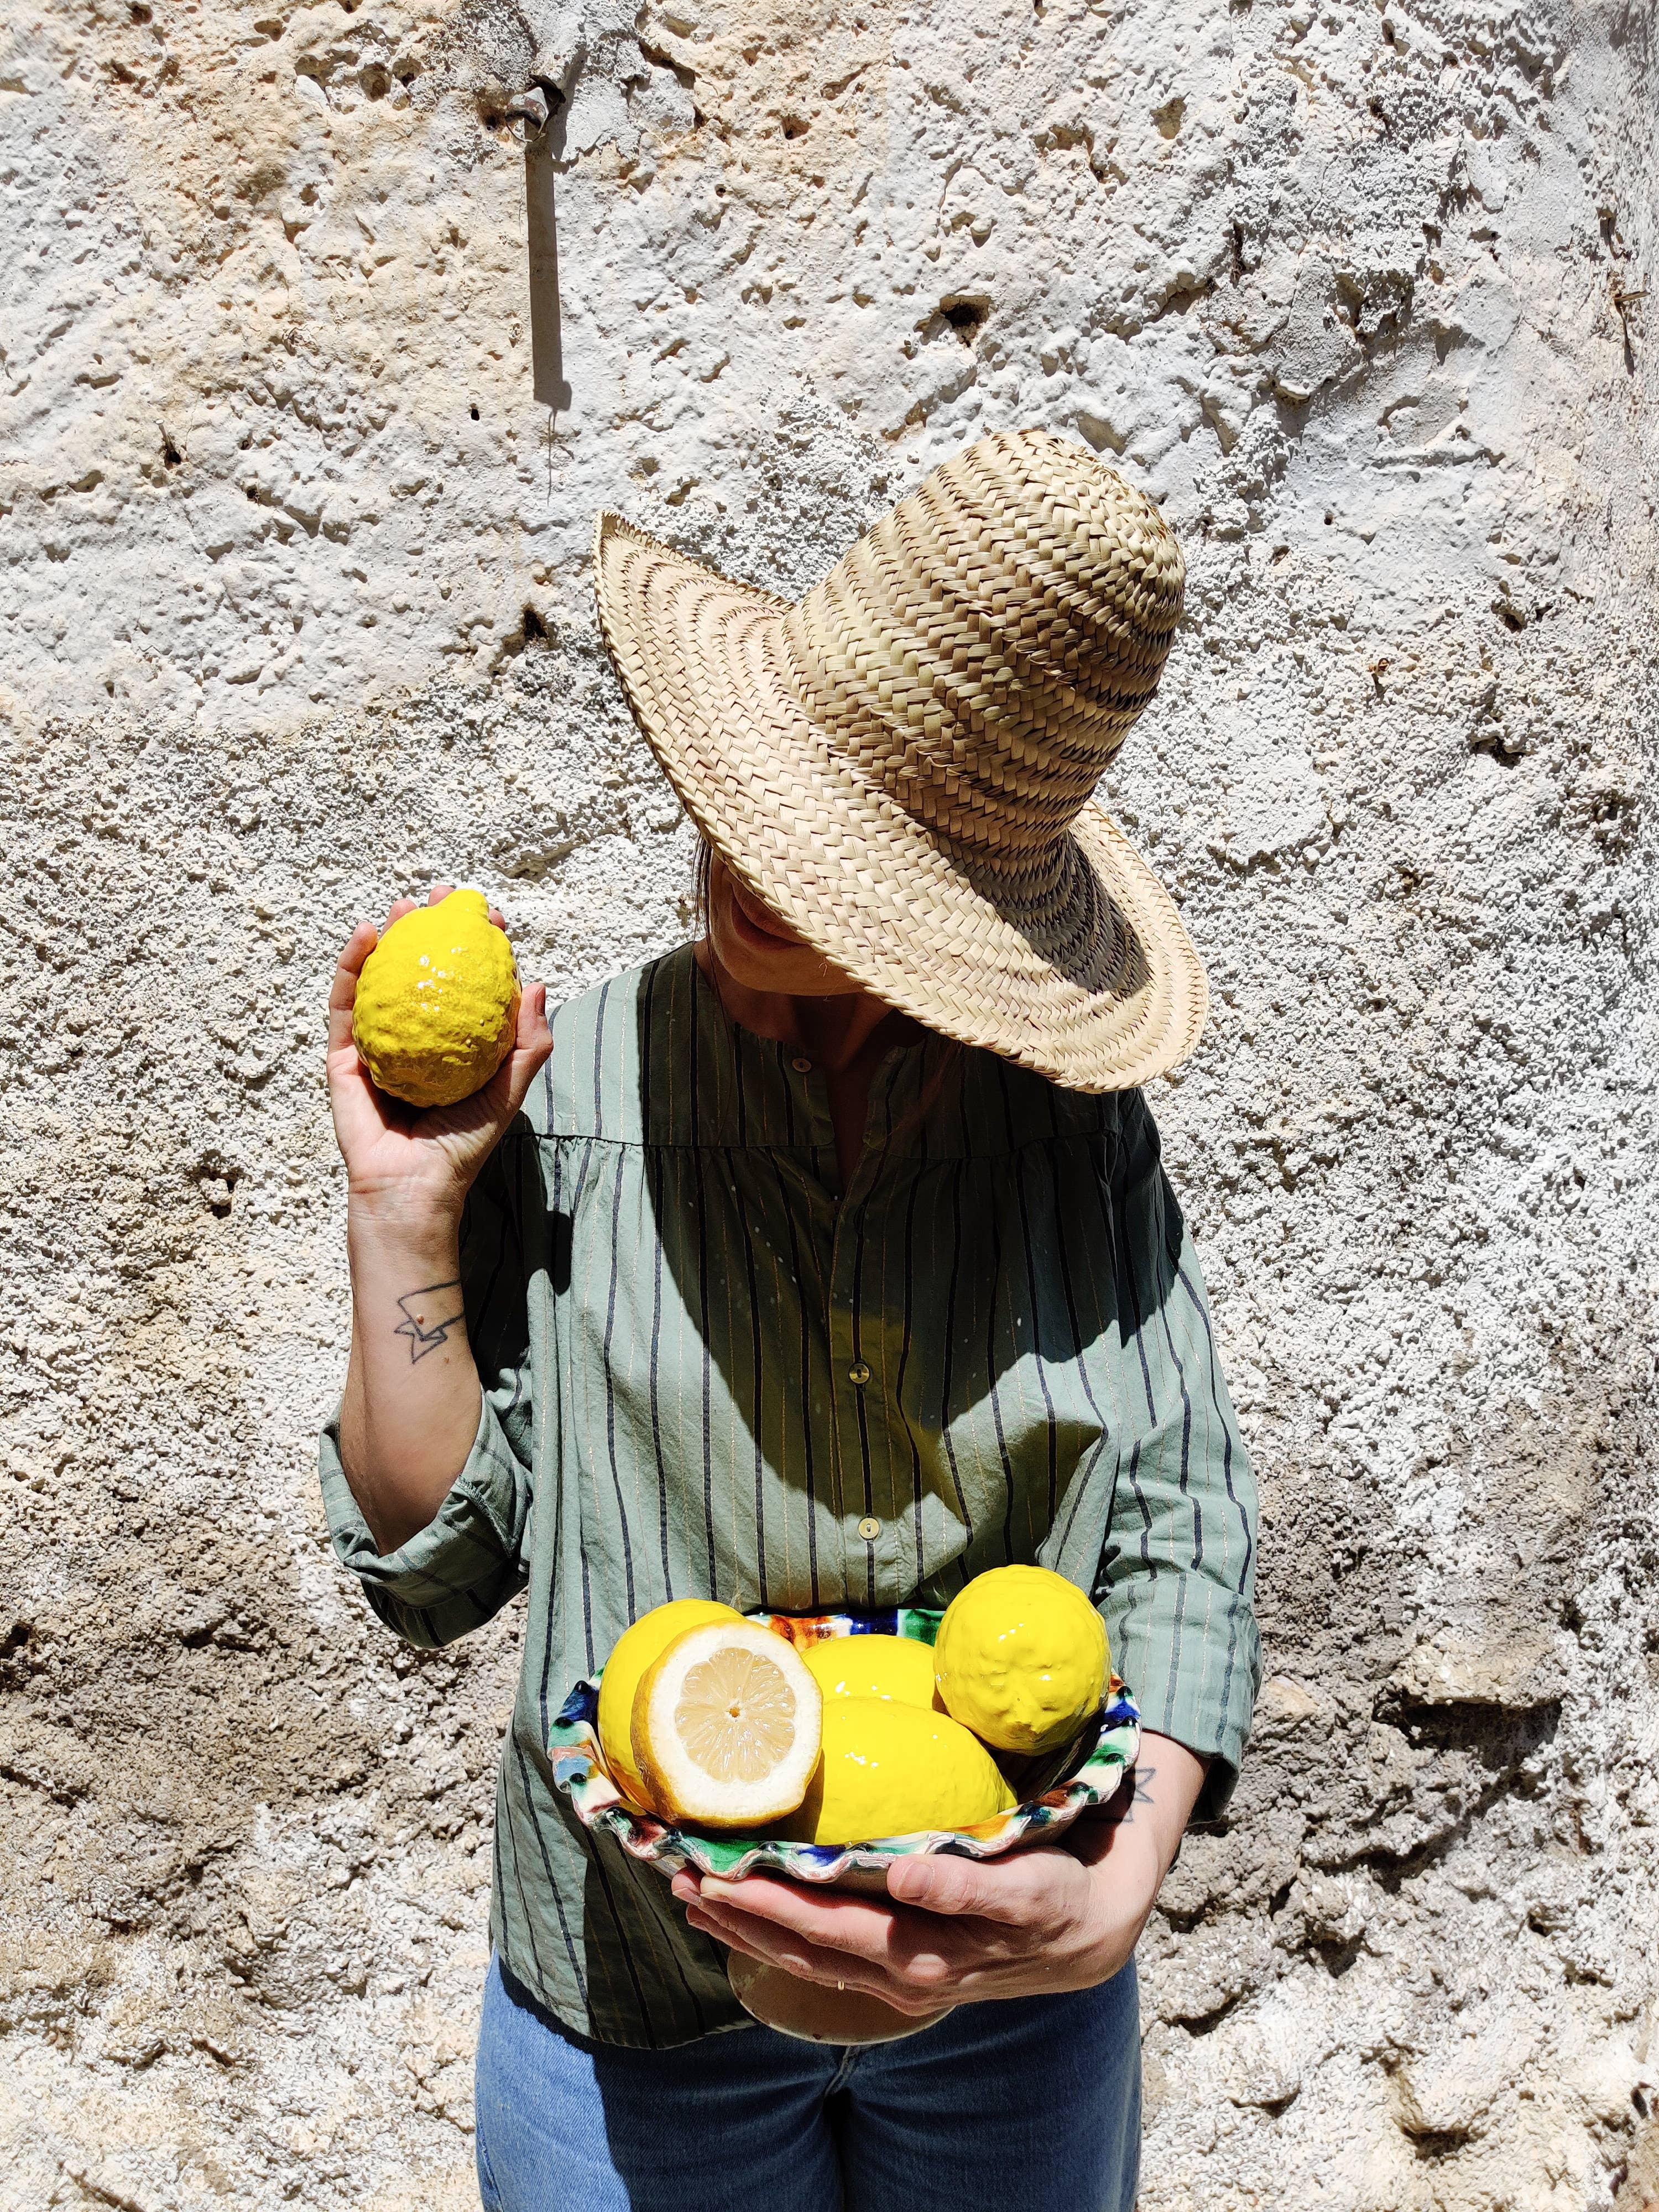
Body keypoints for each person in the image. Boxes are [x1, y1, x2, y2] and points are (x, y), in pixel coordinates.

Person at [320, 427, 1260, 2212]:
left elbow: (1182, 1522)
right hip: (631, 1994)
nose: (747, 864)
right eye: (765, 799)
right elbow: (440, 1557)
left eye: (844, 854)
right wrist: (406, 1212)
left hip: (997, 1988)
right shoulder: (575, 1089)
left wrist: (1109, 1891)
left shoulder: (1071, 1137)